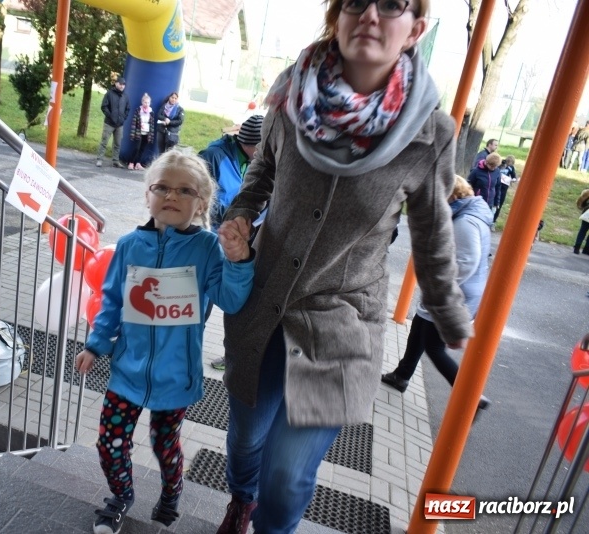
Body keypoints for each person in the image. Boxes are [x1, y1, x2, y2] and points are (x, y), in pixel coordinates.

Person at [214, 1, 473, 532]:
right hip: (261, 305)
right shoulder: (291, 94)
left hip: (342, 326)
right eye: (356, 1)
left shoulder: (431, 135)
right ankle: (241, 500)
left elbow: (431, 232)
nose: (371, 15)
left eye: (393, 5)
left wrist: (448, 314)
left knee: (285, 477)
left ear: (415, 29)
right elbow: (263, 169)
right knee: (243, 442)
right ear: (339, 15)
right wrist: (241, 215)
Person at [74, 150, 255, 534]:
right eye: (162, 188)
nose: (171, 196)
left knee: (164, 446)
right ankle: (120, 496)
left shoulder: (207, 248)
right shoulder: (128, 245)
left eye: (184, 190)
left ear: (201, 203)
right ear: (148, 196)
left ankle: (172, 489)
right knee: (110, 444)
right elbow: (112, 301)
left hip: (176, 378)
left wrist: (239, 261)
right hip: (127, 372)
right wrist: (96, 343)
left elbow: (231, 299)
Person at [381, 176, 492, 411]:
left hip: (455, 292)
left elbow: (466, 261)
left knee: (434, 346)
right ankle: (401, 374)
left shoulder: (465, 221)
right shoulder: (469, 213)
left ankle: (471, 396)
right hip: (455, 288)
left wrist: (438, 284)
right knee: (419, 327)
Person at [199, 113, 264, 371]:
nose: (264, 152)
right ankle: (186, 349)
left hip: (237, 245)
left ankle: (230, 355)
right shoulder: (214, 156)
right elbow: (200, 202)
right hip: (212, 242)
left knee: (231, 300)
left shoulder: (256, 163)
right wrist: (233, 219)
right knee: (202, 302)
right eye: (261, 146)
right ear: (250, 143)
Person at [96, 77, 130, 169]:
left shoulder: (125, 96)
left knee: (117, 144)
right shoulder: (109, 93)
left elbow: (128, 109)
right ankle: (99, 159)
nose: (122, 86)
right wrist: (110, 116)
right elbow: (104, 106)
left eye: (124, 84)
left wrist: (123, 118)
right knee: (104, 141)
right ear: (116, 84)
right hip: (109, 123)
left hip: (120, 124)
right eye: (120, 84)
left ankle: (115, 161)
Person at [128, 93, 155, 170]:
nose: (146, 104)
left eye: (148, 102)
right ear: (142, 102)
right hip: (139, 132)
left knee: (142, 149)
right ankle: (131, 162)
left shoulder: (151, 112)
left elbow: (152, 124)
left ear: (150, 103)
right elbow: (134, 122)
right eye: (145, 102)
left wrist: (151, 135)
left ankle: (138, 163)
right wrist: (137, 128)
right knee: (137, 148)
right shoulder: (138, 110)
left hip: (147, 133)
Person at [493, 155, 517, 223]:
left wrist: (513, 179)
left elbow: (514, 176)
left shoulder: (511, 168)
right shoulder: (501, 164)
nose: (509, 164)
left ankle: (494, 220)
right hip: (496, 185)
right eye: (508, 162)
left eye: (511, 163)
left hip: (504, 187)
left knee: (499, 205)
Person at [572, 188, 589, 255]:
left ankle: (577, 247)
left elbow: (582, 201)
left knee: (582, 230)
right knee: (583, 230)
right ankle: (586, 249)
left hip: (587, 213)